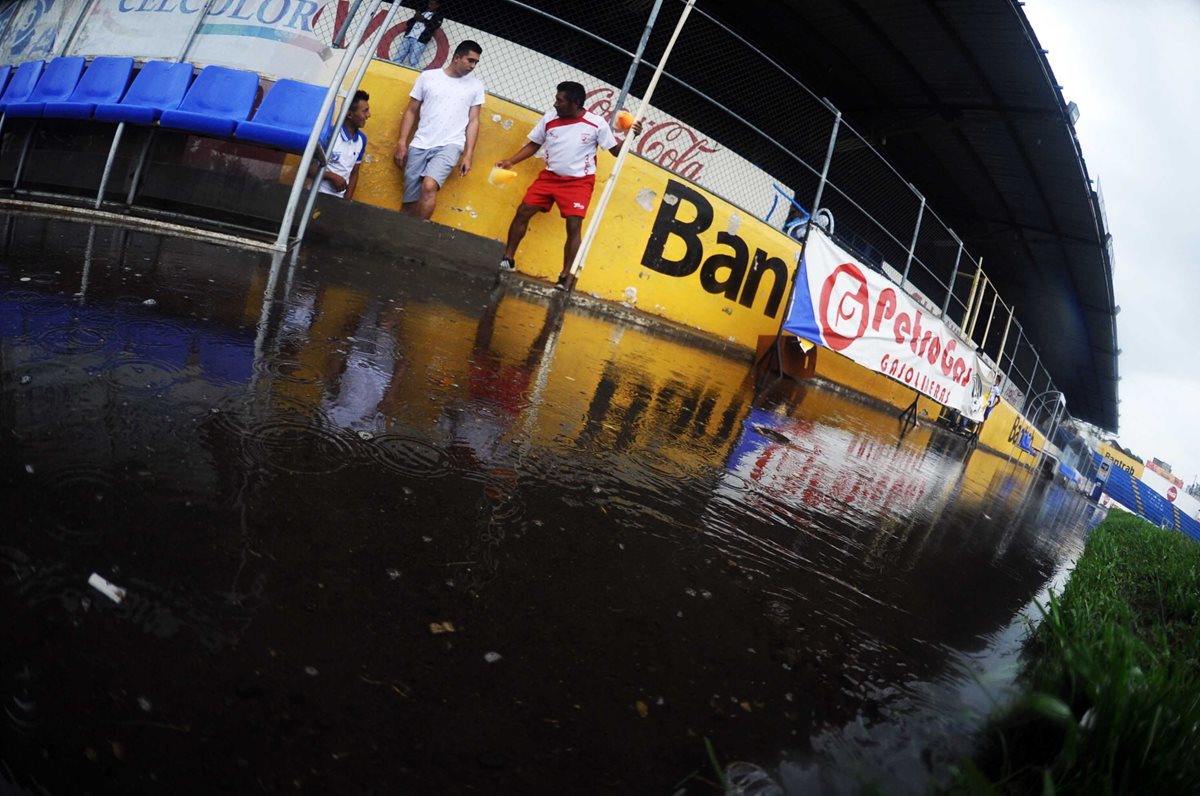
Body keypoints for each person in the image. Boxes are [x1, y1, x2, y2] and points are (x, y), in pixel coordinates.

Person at [495, 81, 641, 289]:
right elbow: (535, 143)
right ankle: (508, 258)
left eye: (560, 101)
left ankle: (565, 276)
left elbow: (615, 151)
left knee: (574, 225)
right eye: (556, 99)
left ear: (575, 103)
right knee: (523, 210)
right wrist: (511, 161)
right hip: (549, 176)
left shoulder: (596, 123)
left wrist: (630, 136)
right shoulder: (550, 118)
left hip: (579, 182)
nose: (555, 104)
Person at [393, 40, 484, 220]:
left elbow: (474, 121)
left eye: (476, 62)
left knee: (428, 186)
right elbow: (411, 111)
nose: (473, 66)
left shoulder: (476, 86)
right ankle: (401, 238)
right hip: (420, 143)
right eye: (470, 60)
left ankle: (419, 233)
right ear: (456, 57)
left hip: (450, 145)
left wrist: (468, 154)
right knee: (409, 203)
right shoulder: (428, 77)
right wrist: (402, 143)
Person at [318, 89, 370, 200]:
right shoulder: (328, 134)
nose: (368, 115)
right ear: (349, 114)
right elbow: (310, 169)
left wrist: (346, 201)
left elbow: (354, 173)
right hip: (317, 194)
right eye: (365, 111)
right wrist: (332, 176)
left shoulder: (362, 140)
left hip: (339, 201)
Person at [393, 0, 444, 68]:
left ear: (437, 5)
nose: (429, 6)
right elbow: (408, 23)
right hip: (409, 36)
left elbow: (434, 26)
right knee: (398, 57)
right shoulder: (423, 12)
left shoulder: (438, 16)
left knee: (413, 61)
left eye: (432, 4)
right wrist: (415, 18)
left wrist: (423, 19)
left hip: (420, 40)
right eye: (429, 4)